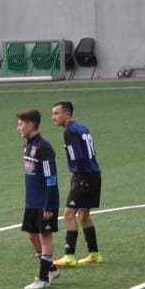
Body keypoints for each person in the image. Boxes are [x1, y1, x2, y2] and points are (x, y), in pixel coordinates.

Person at [48, 101, 104, 268]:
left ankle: (69, 256)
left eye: (56, 113)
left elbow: (77, 156)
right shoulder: (81, 127)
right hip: (94, 174)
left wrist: (81, 179)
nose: (53, 117)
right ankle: (94, 253)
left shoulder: (69, 131)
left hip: (83, 175)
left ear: (67, 114)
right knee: (83, 215)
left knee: (68, 214)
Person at [16, 110, 62, 289]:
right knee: (32, 235)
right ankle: (51, 269)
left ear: (30, 125)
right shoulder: (27, 146)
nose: (18, 128)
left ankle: (43, 279)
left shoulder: (43, 148)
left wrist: (49, 204)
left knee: (45, 236)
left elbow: (51, 178)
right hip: (32, 201)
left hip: (44, 201)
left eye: (21, 124)